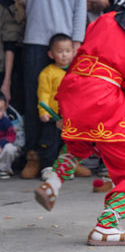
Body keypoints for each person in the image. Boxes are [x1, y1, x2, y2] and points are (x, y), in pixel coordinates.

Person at [33, 0, 125, 245]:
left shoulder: (105, 19)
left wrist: (67, 101)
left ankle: (54, 181)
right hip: (105, 95)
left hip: (74, 85)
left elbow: (81, 55)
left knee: (81, 140)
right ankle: (106, 226)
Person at [6, 0, 87, 179]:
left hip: (66, 48)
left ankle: (63, 157)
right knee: (35, 102)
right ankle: (34, 156)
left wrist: (77, 43)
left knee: (65, 104)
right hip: (36, 41)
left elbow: (80, 9)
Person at [36, 33, 77, 179]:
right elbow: (44, 94)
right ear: (51, 54)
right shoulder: (48, 73)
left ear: (73, 52)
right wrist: (43, 111)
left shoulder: (76, 71)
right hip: (53, 116)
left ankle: (64, 168)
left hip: (70, 117)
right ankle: (48, 167)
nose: (64, 55)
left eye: (67, 51)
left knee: (68, 143)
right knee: (50, 142)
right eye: (59, 52)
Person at [0, 92, 17, 178]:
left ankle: (3, 169)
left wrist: (1, 144)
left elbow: (12, 136)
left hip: (2, 150)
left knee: (10, 148)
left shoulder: (5, 121)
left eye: (0, 109)